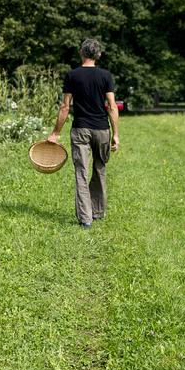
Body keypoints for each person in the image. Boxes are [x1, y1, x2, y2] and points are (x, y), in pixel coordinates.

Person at [47, 38, 120, 229]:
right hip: (102, 129)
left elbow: (65, 107)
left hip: (80, 129)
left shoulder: (72, 75)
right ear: (99, 55)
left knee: (81, 172)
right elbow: (112, 107)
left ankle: (86, 219)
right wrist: (115, 134)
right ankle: (97, 211)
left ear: (81, 52)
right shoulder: (106, 76)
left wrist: (55, 132)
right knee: (99, 169)